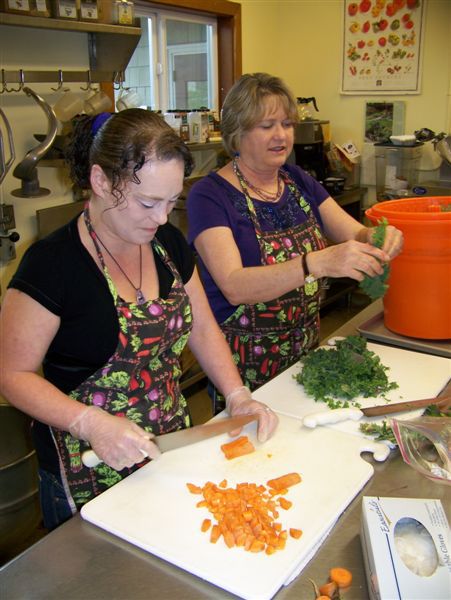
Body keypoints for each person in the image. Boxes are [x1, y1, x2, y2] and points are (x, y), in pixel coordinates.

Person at [0, 109, 278, 531]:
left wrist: (237, 394)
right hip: (89, 464)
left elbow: (202, 327)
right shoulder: (52, 265)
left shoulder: (167, 244)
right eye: (148, 202)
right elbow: (11, 374)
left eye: (171, 202)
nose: (162, 218)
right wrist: (90, 423)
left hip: (167, 447)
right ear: (100, 181)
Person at [187, 73, 403, 413]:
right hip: (244, 370)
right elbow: (233, 285)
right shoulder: (210, 196)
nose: (281, 135)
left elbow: (353, 232)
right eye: (266, 125)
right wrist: (315, 263)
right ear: (237, 132)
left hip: (306, 354)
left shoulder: (297, 180)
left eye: (287, 124)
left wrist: (378, 237)